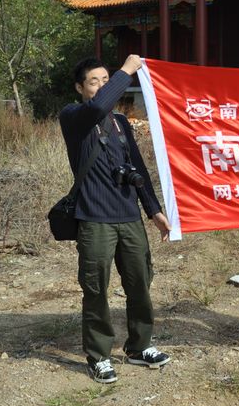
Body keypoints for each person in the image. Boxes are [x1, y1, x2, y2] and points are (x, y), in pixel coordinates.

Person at [59, 54, 171, 384]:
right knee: (95, 288)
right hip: (94, 219)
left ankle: (139, 346)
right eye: (94, 81)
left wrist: (154, 211)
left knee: (140, 282)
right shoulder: (74, 117)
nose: (102, 86)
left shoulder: (121, 123)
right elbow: (95, 108)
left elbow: (137, 169)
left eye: (107, 80)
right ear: (80, 88)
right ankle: (99, 355)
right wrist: (127, 71)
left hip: (128, 216)